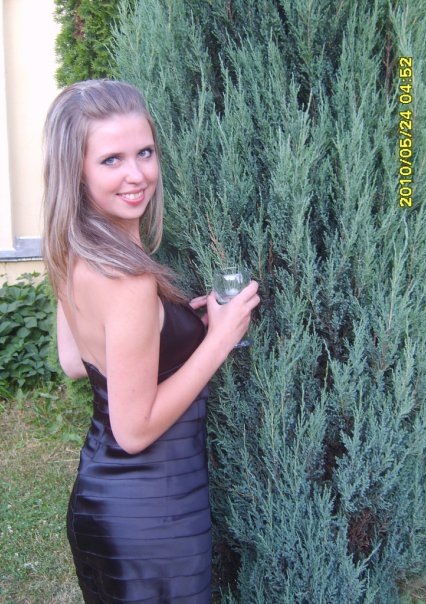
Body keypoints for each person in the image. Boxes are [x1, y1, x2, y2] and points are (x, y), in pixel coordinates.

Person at [42, 79, 259, 603]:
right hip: (152, 518)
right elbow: (134, 430)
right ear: (77, 171)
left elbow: (75, 360)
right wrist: (219, 339)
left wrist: (172, 329)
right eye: (111, 160)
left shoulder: (75, 252)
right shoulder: (130, 281)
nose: (137, 174)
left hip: (106, 503)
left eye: (144, 152)